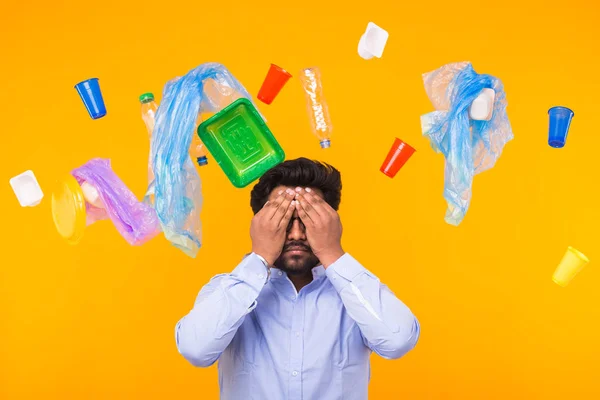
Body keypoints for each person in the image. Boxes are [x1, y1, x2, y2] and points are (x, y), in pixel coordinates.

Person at [175, 158, 420, 400]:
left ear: (330, 222)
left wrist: (332, 252)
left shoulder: (357, 293)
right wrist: (260, 256)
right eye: (281, 220)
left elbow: (397, 341)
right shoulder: (226, 291)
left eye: (308, 220)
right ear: (260, 223)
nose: (295, 234)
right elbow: (195, 350)